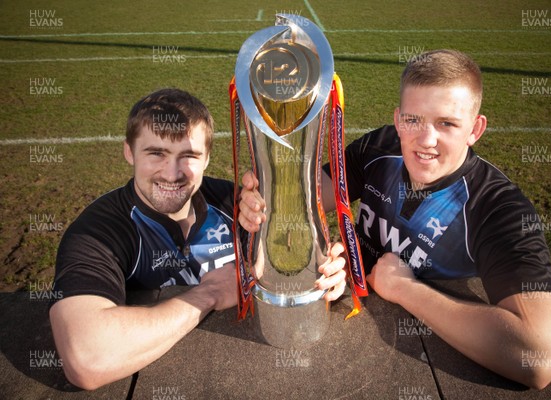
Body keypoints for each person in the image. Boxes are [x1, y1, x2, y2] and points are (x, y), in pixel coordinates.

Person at [239, 50, 551, 390]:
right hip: (344, 311)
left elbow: (538, 356)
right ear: (397, 119)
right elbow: (306, 198)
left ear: (475, 128)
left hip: (414, 355)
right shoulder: (379, 148)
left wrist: (406, 289)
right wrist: (264, 198)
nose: (426, 140)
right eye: (413, 120)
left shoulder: (498, 208)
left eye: (447, 123)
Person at [49, 88, 346, 390]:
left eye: (188, 155)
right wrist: (210, 294)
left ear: (206, 159)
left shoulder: (239, 203)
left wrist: (322, 273)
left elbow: (289, 267)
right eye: (156, 154)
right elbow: (86, 359)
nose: (172, 173)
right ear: (129, 152)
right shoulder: (100, 230)